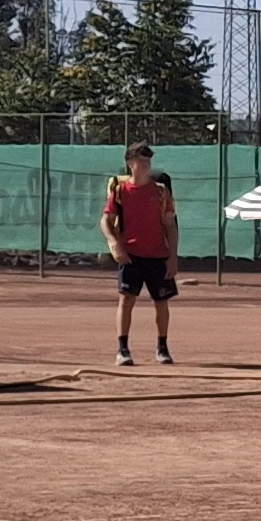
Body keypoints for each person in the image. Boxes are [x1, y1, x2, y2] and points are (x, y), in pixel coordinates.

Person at [103, 144, 180, 365]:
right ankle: (123, 350)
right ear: (130, 164)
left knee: (161, 302)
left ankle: (162, 348)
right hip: (131, 256)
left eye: (148, 161)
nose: (146, 165)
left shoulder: (160, 191)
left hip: (158, 255)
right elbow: (105, 221)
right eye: (141, 161)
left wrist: (173, 256)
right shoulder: (119, 191)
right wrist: (114, 243)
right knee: (126, 300)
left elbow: (170, 225)